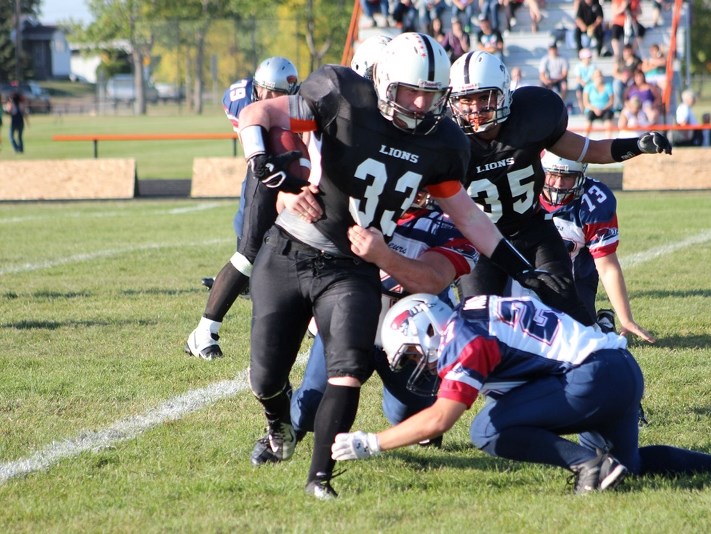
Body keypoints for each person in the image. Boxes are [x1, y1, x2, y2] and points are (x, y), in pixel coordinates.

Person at [234, 33, 564, 500]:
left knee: (401, 404)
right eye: (411, 91)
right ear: (384, 81)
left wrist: (520, 268)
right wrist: (276, 171)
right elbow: (263, 118)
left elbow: (464, 221)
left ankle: (322, 478)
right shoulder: (343, 96)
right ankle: (281, 424)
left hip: (376, 290)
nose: (420, 103)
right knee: (284, 391)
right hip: (310, 254)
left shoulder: (444, 147)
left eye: (431, 94)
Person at [332, 293, 711, 494]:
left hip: (592, 378)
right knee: (628, 467)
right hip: (618, 372)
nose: (417, 362)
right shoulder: (475, 310)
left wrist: (371, 442)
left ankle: (586, 466)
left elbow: (442, 419)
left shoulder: (466, 338)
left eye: (411, 353)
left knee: (486, 430)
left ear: (426, 326)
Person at [448, 51, 670, 327]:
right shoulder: (448, 140)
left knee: (570, 314)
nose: (476, 108)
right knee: (478, 322)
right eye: (466, 100)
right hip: (479, 239)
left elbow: (593, 151)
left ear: (504, 94)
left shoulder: (529, 120)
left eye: (484, 97)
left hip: (531, 230)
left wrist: (637, 145)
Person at [290, 193, 478, 440]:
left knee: (413, 416)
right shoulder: (350, 212)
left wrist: (382, 255)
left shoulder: (448, 224)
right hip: (349, 322)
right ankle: (282, 415)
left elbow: (431, 280)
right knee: (309, 412)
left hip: (412, 337)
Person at [184, 57, 302, 360]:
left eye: (284, 95)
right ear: (260, 89)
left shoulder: (297, 101)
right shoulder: (243, 100)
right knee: (249, 252)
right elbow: (257, 155)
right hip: (264, 170)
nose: (279, 102)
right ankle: (203, 332)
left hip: (287, 170)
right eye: (272, 94)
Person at [539, 151, 654, 342]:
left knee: (579, 340)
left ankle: (604, 321)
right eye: (553, 175)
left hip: (575, 274)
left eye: (567, 176)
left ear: (580, 175)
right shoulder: (524, 192)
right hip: (531, 272)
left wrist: (626, 318)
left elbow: (607, 266)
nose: (558, 184)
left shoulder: (593, 202)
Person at [583, 68, 615, 135]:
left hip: (606, 109)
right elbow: (586, 103)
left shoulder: (608, 86)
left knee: (608, 121)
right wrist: (595, 109)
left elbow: (611, 101)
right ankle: (584, 141)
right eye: (597, 76)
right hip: (592, 109)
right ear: (593, 77)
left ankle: (609, 141)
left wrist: (602, 109)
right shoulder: (588, 87)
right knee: (589, 119)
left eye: (600, 75)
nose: (599, 77)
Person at [573, 48, 597, 114]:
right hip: (582, 84)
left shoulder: (593, 66)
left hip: (590, 84)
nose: (589, 59)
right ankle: (582, 110)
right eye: (588, 57)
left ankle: (590, 109)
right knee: (579, 93)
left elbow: (594, 77)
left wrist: (587, 85)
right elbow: (578, 78)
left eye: (590, 57)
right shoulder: (578, 66)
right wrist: (584, 84)